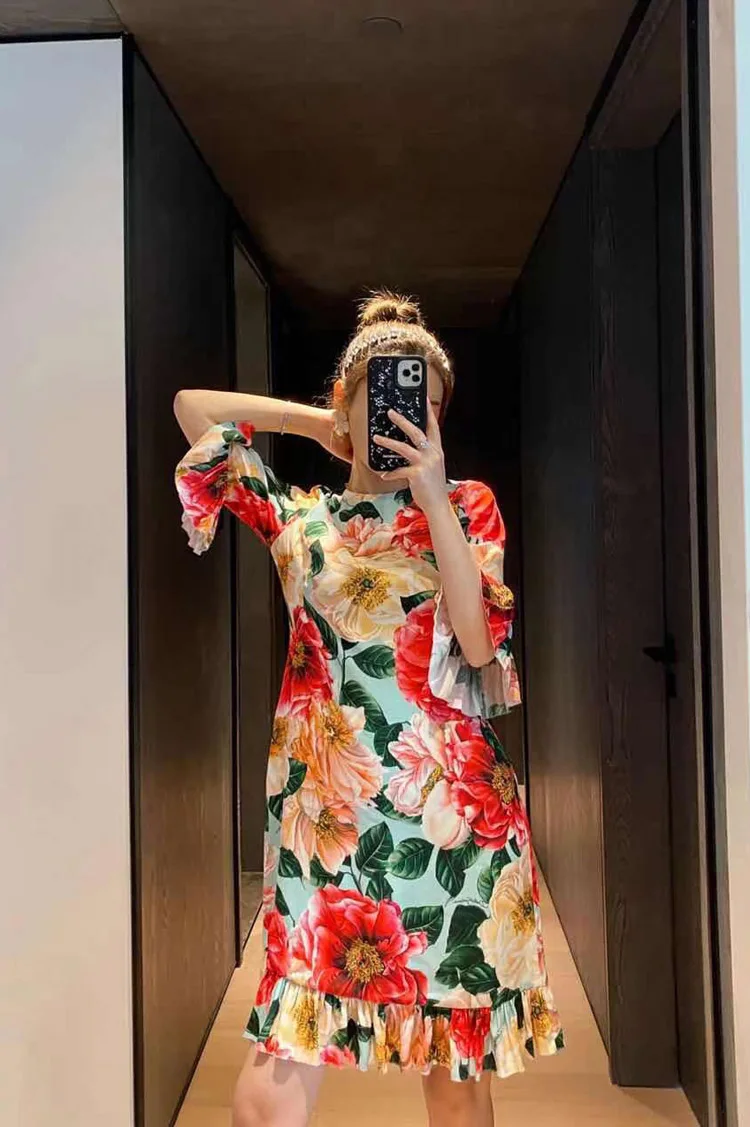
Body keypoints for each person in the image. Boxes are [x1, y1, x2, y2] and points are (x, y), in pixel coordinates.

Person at [173, 291, 563, 1127]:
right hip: (324, 829)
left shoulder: (467, 507)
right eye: (386, 392)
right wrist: (313, 424)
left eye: (427, 401)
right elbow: (193, 411)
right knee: (271, 1086)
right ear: (347, 402)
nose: (408, 413)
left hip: (452, 826)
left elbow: (479, 644)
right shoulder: (300, 517)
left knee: (455, 1084)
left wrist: (432, 493)